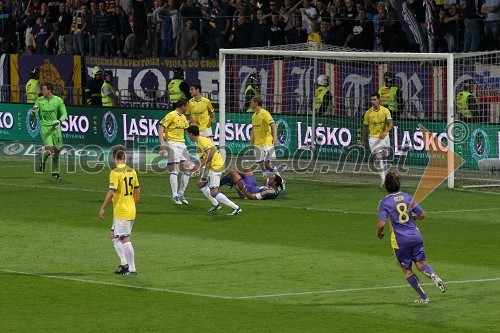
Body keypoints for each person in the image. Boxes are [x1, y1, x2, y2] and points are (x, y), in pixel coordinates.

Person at [377, 172, 446, 303]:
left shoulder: (384, 202)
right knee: (421, 264)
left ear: (385, 186)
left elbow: (381, 224)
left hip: (400, 240)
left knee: (407, 269)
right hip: (415, 235)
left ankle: (424, 298)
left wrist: (379, 234)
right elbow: (423, 214)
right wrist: (412, 218)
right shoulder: (407, 197)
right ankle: (432, 275)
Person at [98, 147, 140, 276]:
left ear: (114, 158)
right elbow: (138, 191)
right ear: (124, 158)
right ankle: (123, 264)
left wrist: (103, 208)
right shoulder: (132, 171)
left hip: (122, 211)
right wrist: (132, 204)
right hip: (129, 209)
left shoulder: (115, 172)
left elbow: (111, 192)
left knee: (124, 238)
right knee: (113, 235)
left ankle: (131, 268)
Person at [186, 125, 242, 215]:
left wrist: (199, 166)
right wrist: (198, 169)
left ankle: (236, 208)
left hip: (216, 166)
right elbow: (203, 158)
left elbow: (211, 154)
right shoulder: (198, 143)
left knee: (214, 192)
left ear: (191, 134)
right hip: (209, 167)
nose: (188, 136)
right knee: (201, 183)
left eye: (188, 134)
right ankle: (216, 204)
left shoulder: (203, 141)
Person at [158, 98, 192, 205]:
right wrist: (162, 144)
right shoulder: (171, 115)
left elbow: (187, 131)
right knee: (175, 169)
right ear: (182, 106)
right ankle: (174, 195)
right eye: (187, 106)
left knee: (188, 169)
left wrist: (200, 137)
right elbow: (160, 127)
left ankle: (181, 193)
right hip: (172, 143)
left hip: (182, 144)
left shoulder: (184, 118)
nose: (187, 108)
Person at [30, 83, 68, 179]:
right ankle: (42, 160)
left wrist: (59, 121)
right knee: (50, 150)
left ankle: (55, 172)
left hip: (55, 129)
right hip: (45, 129)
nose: (42, 91)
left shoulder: (58, 100)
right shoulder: (39, 100)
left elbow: (64, 114)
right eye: (42, 89)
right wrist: (33, 113)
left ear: (49, 90)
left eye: (44, 89)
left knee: (57, 151)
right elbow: (33, 112)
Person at [248, 95, 285, 190]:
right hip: (258, 144)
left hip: (267, 143)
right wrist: (250, 145)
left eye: (252, 102)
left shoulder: (264, 113)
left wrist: (275, 137)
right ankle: (267, 183)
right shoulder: (254, 115)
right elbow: (253, 131)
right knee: (261, 165)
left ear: (256, 103)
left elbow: (273, 125)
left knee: (268, 164)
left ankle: (281, 180)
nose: (250, 103)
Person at [361, 92, 393, 186]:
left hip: (384, 137)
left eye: (374, 100)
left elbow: (391, 124)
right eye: (371, 100)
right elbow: (365, 127)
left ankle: (386, 179)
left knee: (385, 159)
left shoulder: (385, 111)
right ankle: (384, 180)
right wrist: (363, 140)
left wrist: (385, 131)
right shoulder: (368, 113)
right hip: (373, 139)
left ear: (379, 100)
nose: (373, 102)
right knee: (379, 159)